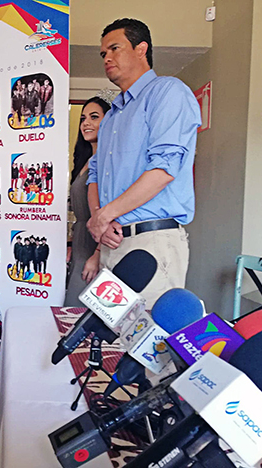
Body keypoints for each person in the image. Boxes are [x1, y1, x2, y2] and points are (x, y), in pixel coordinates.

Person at [87, 19, 201, 307]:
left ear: (141, 49)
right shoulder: (111, 116)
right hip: (111, 243)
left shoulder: (168, 92)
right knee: (107, 332)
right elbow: (95, 174)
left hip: (151, 242)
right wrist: (100, 221)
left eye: (115, 48)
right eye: (103, 53)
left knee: (148, 333)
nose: (107, 58)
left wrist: (104, 215)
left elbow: (164, 169)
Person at [63, 96, 111, 306]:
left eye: (94, 117)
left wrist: (97, 255)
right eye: (83, 119)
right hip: (81, 242)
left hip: (96, 244)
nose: (86, 123)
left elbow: (108, 213)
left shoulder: (108, 161)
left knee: (77, 307)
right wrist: (72, 244)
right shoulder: (84, 162)